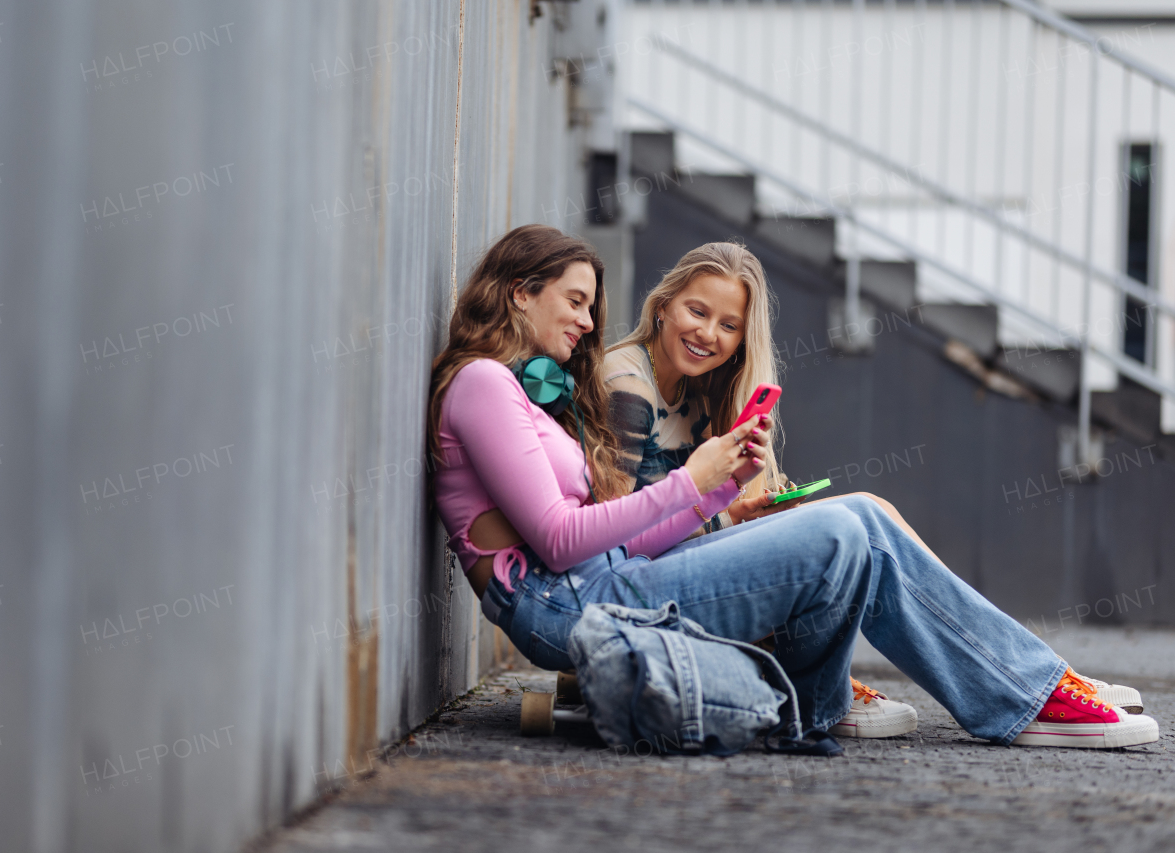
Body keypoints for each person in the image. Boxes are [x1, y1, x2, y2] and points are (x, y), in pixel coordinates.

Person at [427, 223, 1158, 749]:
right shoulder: (483, 384)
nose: (590, 324)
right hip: (568, 607)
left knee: (859, 519)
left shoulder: (515, 392)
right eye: (577, 301)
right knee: (844, 530)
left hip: (603, 584)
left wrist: (716, 493)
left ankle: (923, 692)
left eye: (592, 305)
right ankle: (1024, 695)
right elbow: (558, 539)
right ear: (522, 294)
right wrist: (690, 481)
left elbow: (611, 535)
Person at [602, 240, 1145, 729]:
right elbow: (611, 539)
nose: (708, 334)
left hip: (678, 574)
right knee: (858, 520)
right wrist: (725, 516)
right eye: (697, 311)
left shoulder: (694, 390)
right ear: (662, 304)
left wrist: (741, 511)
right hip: (640, 597)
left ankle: (1026, 673)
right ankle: (1027, 687)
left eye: (728, 325)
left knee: (868, 510)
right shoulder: (629, 385)